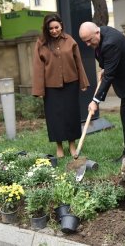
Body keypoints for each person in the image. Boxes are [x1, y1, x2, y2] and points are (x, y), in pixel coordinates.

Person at [79, 21, 125, 162]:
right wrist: (106, 68)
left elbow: (109, 76)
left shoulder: (110, 43)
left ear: (97, 32)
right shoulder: (101, 34)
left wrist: (95, 101)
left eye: (89, 40)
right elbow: (108, 62)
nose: (88, 44)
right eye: (84, 42)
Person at [32, 13, 89, 158]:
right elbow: (38, 67)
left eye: (56, 27)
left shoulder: (70, 40)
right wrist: (39, 89)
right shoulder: (41, 43)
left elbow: (78, 62)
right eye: (50, 28)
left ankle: (72, 145)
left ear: (61, 26)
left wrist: (83, 82)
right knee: (54, 117)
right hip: (51, 87)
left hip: (71, 83)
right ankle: (59, 147)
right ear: (47, 29)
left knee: (71, 115)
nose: (54, 31)